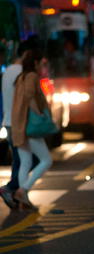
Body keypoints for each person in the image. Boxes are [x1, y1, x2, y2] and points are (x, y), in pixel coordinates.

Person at [11, 49, 53, 210]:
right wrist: (39, 113)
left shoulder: (20, 77)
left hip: (18, 125)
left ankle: (23, 201)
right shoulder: (32, 76)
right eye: (42, 63)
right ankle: (24, 190)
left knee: (25, 162)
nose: (43, 66)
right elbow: (29, 96)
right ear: (35, 63)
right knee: (46, 160)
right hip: (30, 126)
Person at [0, 42, 29, 209]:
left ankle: (17, 196)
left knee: (19, 160)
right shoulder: (21, 72)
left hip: (8, 121)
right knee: (28, 159)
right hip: (18, 121)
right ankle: (11, 188)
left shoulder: (8, 71)